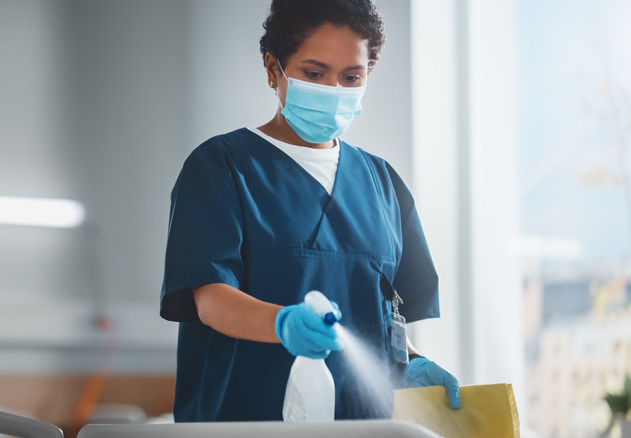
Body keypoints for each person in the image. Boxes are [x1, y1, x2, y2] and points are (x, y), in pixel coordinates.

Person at [160, 0, 461, 422]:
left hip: (362, 427)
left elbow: (384, 313)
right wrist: (284, 323)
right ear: (272, 69)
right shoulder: (221, 168)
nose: (334, 91)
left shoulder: (382, 183)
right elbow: (210, 298)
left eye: (351, 77)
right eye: (314, 74)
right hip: (244, 424)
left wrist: (409, 362)